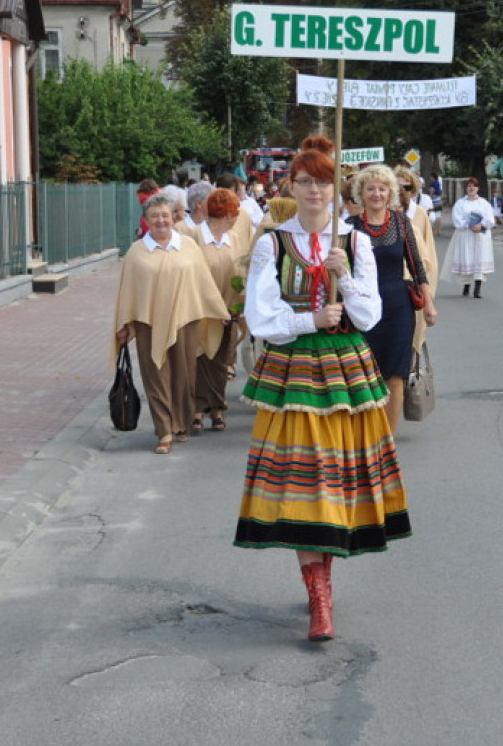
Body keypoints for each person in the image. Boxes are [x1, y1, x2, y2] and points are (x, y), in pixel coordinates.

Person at [235, 142, 412, 643]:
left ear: (337, 189)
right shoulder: (272, 244)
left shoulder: (353, 244)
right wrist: (309, 318)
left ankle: (323, 581)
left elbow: (370, 315)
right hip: (294, 373)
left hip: (347, 373)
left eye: (323, 182)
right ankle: (320, 600)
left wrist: (346, 278)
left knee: (338, 482)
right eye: (306, 182)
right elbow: (260, 317)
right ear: (291, 187)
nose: (315, 191)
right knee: (304, 483)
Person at [113, 193, 230, 454]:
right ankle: (164, 430)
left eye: (165, 215)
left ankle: (181, 422)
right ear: (146, 220)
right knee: (156, 376)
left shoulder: (188, 246)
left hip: (186, 320)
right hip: (149, 324)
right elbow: (127, 291)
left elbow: (203, 282)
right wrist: (124, 323)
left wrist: (218, 310)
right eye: (154, 216)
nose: (161, 221)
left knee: (184, 375)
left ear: (173, 217)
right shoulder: (136, 252)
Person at [348, 164, 437, 434]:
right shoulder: (350, 227)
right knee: (363, 371)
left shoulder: (400, 223)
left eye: (382, 188)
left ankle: (386, 437)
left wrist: (429, 304)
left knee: (396, 373)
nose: (377, 194)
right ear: (361, 194)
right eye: (370, 189)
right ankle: (365, 433)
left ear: (391, 193)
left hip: (398, 306)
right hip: (362, 307)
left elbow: (416, 265)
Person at [191, 188, 246, 435]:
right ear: (225, 214)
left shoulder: (233, 239)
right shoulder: (194, 237)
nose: (236, 219)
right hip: (202, 311)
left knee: (222, 361)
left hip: (229, 311)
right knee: (201, 359)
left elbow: (240, 274)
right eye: (234, 213)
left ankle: (217, 408)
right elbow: (192, 277)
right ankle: (195, 409)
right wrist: (212, 307)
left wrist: (238, 305)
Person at [396, 166, 439, 358]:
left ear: (412, 191)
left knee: (411, 335)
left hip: (413, 280)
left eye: (405, 188)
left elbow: (427, 254)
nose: (400, 193)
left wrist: (428, 294)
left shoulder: (419, 214)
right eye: (396, 188)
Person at [443, 177, 495, 298]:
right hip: (466, 234)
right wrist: (468, 225)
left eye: (474, 186)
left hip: (481, 235)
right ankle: (466, 284)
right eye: (469, 186)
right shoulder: (460, 203)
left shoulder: (484, 203)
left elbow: (490, 219)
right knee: (467, 258)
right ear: (466, 188)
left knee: (479, 259)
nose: (471, 188)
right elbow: (457, 219)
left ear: (478, 188)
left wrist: (481, 225)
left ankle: (478, 287)